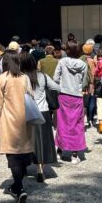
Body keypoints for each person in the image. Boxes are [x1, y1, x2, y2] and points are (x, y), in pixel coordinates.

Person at [0, 49, 34, 203]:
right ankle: (18, 186)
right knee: (23, 153)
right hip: (25, 120)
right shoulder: (25, 78)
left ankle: (19, 188)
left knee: (13, 156)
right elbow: (31, 97)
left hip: (9, 120)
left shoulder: (1, 79)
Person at [22, 49, 58, 182]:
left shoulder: (22, 77)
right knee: (43, 140)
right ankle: (40, 169)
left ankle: (25, 165)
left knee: (27, 140)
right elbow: (56, 87)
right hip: (42, 111)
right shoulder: (42, 76)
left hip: (27, 111)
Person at [53, 41, 89, 164]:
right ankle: (74, 155)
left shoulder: (62, 62)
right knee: (77, 125)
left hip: (63, 95)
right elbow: (84, 82)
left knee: (62, 123)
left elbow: (55, 79)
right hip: (77, 96)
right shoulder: (84, 64)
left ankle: (59, 151)